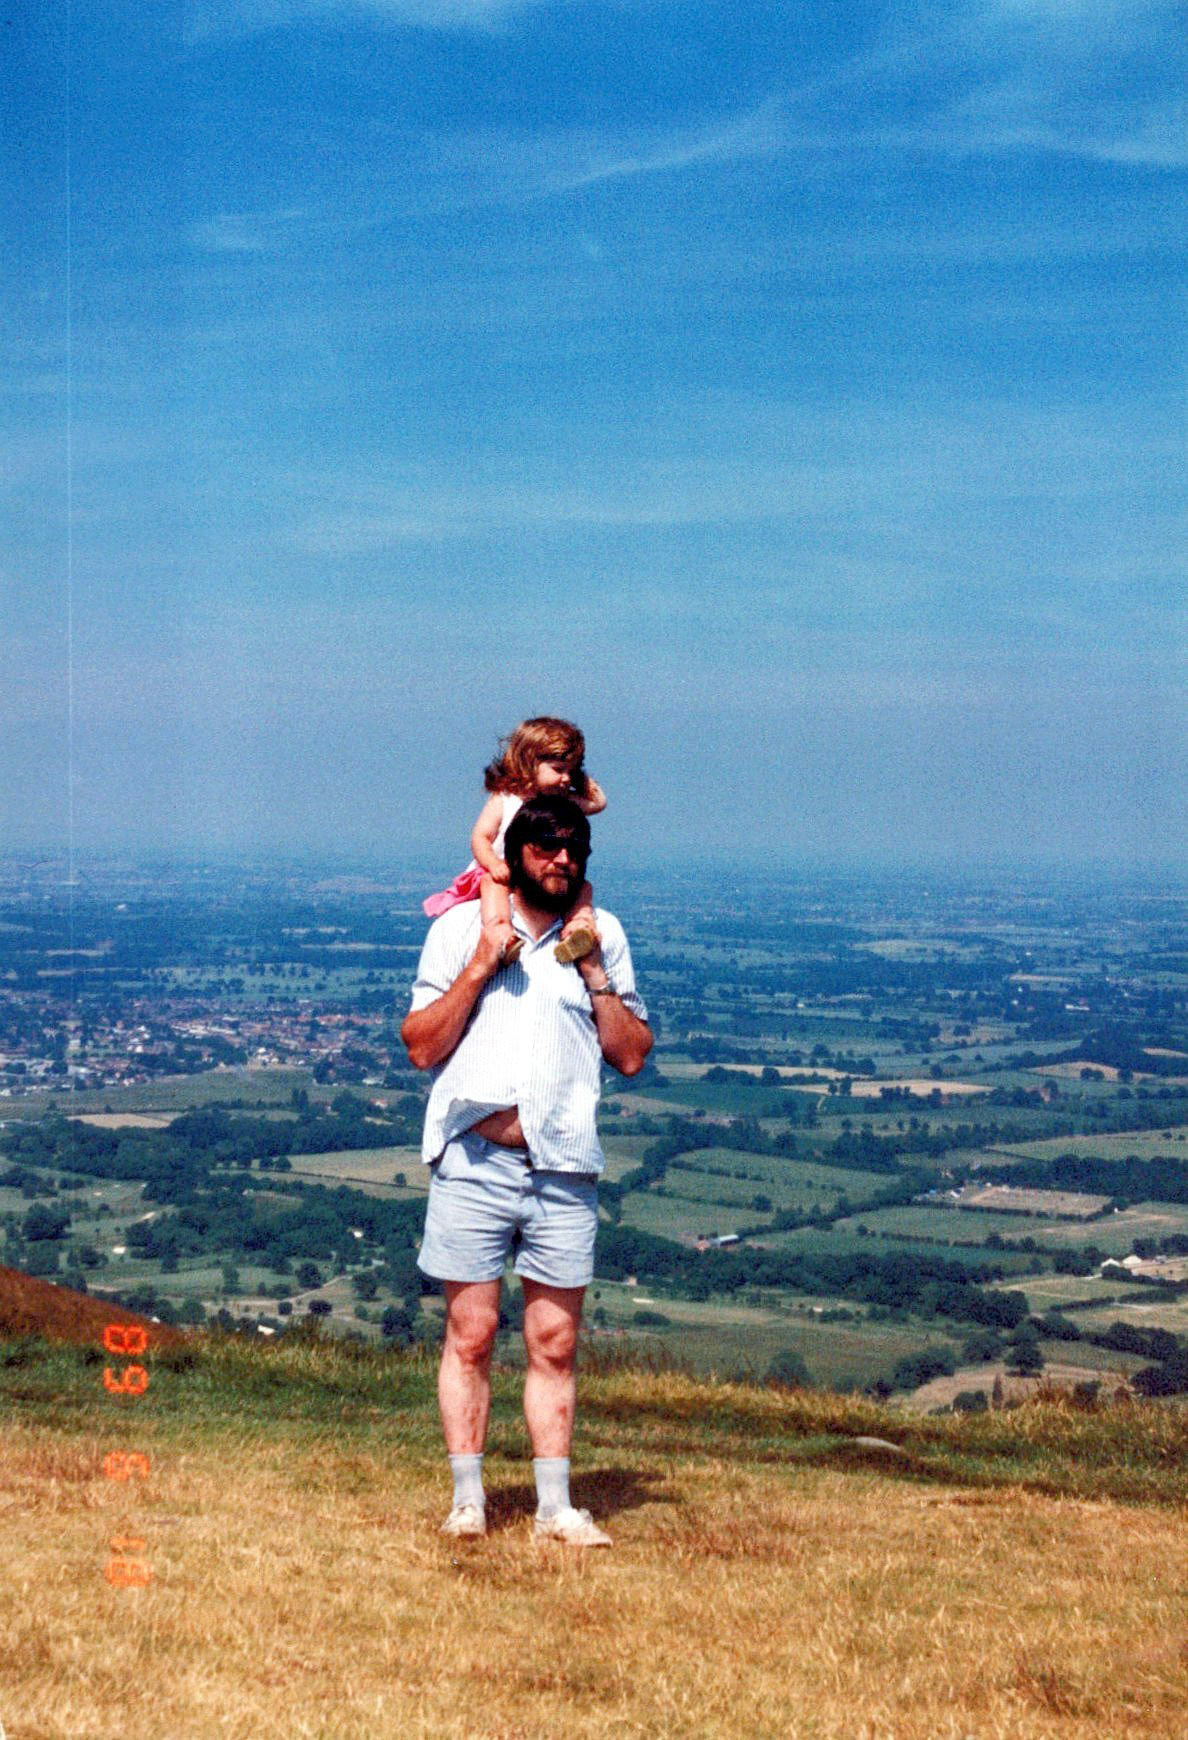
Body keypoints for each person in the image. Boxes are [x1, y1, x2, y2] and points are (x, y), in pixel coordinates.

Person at [402, 793, 652, 1547]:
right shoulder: (459, 928)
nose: (561, 858)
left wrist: (594, 968)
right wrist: (482, 962)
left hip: (564, 1165)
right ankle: (468, 1501)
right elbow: (420, 1044)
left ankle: (554, 1508)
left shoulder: (603, 934)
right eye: (544, 845)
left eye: (573, 847)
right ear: (514, 852)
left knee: (554, 1342)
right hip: (474, 1159)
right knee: (471, 1334)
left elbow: (631, 1055)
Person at [422, 716, 607, 967]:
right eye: (558, 770)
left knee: (583, 888)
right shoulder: (505, 799)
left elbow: (598, 802)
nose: (566, 779)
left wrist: (579, 775)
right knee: (493, 886)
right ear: (529, 763)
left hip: (538, 876)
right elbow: (480, 837)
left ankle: (579, 928)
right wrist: (493, 864)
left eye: (571, 772)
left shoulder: (560, 803)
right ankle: (501, 936)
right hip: (502, 872)